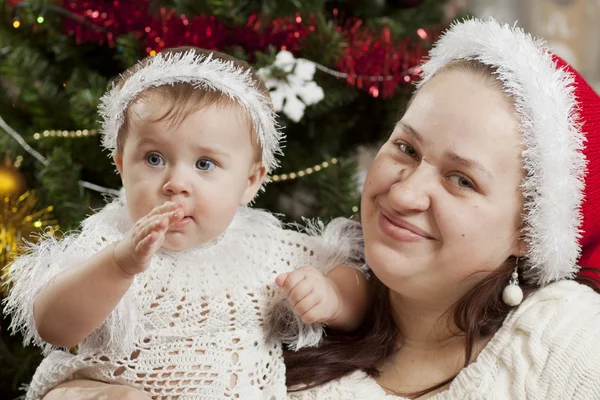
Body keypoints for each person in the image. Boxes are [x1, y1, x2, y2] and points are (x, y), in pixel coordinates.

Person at [3, 47, 369, 400]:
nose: (176, 182)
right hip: (105, 388)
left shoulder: (266, 248)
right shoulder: (110, 241)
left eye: (205, 164)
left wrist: (332, 296)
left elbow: (354, 283)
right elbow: (54, 327)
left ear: (250, 181)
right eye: (154, 158)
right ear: (120, 165)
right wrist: (119, 265)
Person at [285, 18, 600, 399]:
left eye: (462, 179)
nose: (404, 195)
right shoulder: (286, 297)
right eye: (406, 148)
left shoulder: (575, 348)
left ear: (528, 233)